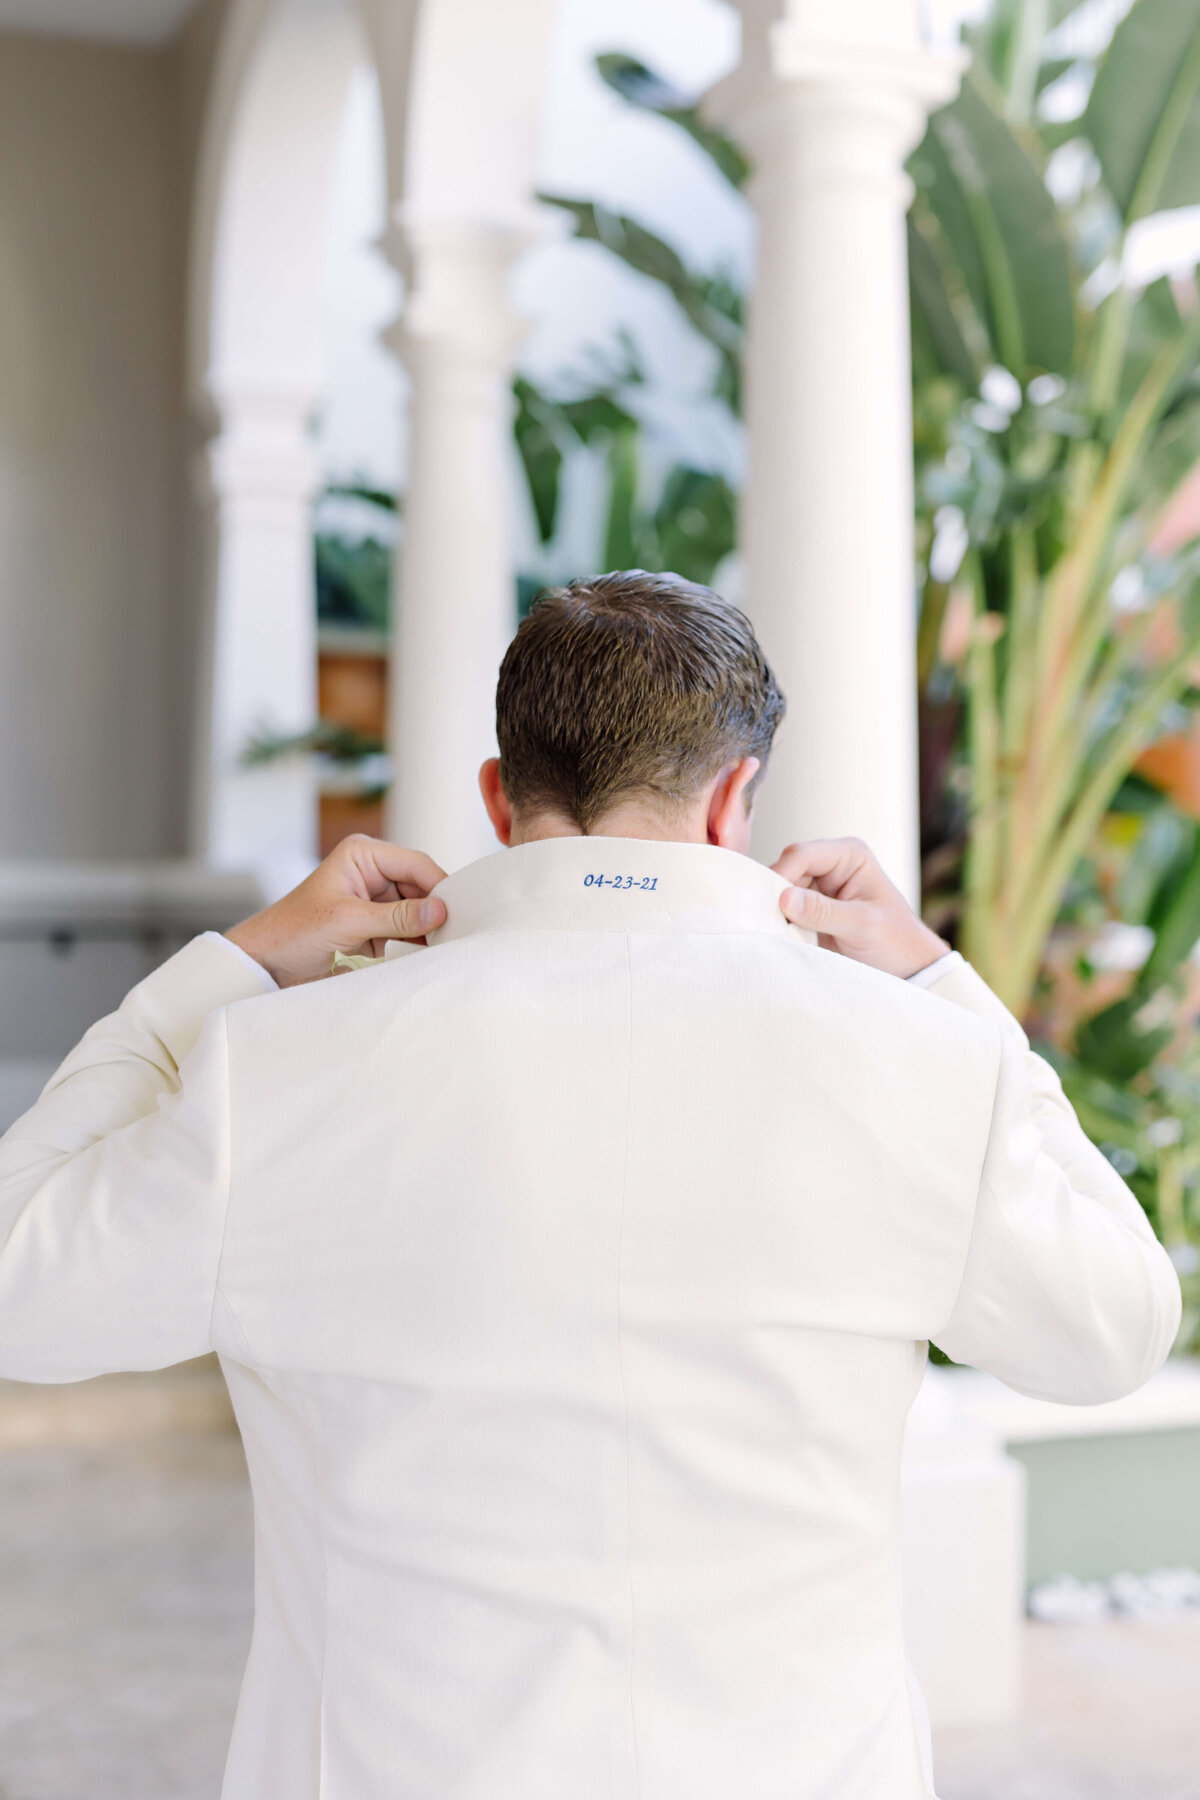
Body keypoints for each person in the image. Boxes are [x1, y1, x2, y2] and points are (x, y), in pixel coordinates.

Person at [0, 571, 1181, 1800]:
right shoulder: (924, 1065)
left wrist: (226, 972)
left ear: (500, 799)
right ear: (735, 798)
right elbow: (1116, 1331)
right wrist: (945, 988)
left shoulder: (273, 1068)